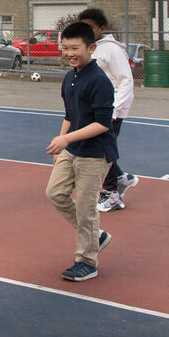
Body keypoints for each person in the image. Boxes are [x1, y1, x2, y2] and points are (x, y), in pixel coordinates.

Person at [44, 21, 118, 282]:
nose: (69, 53)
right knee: (55, 193)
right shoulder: (70, 77)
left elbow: (102, 124)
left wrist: (66, 140)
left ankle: (87, 260)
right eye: (65, 48)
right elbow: (69, 115)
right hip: (71, 149)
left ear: (91, 47)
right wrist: (61, 142)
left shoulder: (99, 81)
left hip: (95, 154)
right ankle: (96, 236)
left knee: (87, 208)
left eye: (75, 48)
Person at [77, 8, 138, 211]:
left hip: (109, 110)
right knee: (102, 148)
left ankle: (112, 194)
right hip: (94, 108)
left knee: (101, 151)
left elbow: (126, 81)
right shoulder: (89, 47)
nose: (86, 30)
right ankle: (120, 177)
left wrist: (114, 111)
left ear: (102, 28)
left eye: (91, 27)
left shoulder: (111, 49)